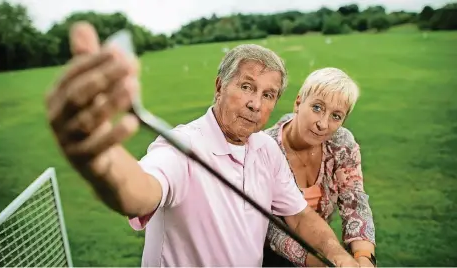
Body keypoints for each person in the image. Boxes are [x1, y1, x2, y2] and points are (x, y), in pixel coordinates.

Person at [45, 21, 360, 267]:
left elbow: (300, 217)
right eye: (247, 87)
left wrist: (340, 257)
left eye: (267, 95)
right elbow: (139, 193)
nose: (255, 104)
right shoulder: (182, 145)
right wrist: (101, 160)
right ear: (220, 86)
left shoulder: (266, 150)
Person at [262, 67, 377, 267]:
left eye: (336, 116)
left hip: (324, 249)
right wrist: (324, 261)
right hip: (271, 257)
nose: (323, 124)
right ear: (298, 102)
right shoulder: (264, 148)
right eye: (317, 107)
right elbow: (270, 227)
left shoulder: (341, 142)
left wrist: (364, 258)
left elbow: (354, 200)